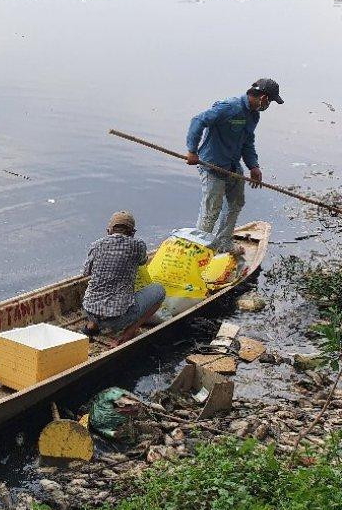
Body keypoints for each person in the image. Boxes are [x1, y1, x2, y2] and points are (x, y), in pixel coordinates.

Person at [186, 78, 283, 255]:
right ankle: (198, 250)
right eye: (270, 101)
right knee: (211, 210)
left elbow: (247, 142)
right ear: (262, 97)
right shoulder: (229, 107)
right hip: (212, 166)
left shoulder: (253, 115)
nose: (269, 105)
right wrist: (192, 150)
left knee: (236, 202)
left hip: (232, 166)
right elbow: (198, 120)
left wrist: (253, 166)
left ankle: (223, 241)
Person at [82, 211, 166, 343]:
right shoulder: (137, 245)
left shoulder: (96, 245)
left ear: (108, 231)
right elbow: (143, 261)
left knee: (95, 289)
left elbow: (86, 273)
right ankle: (128, 334)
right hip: (118, 320)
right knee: (159, 290)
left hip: (88, 310)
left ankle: (92, 325)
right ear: (132, 233)